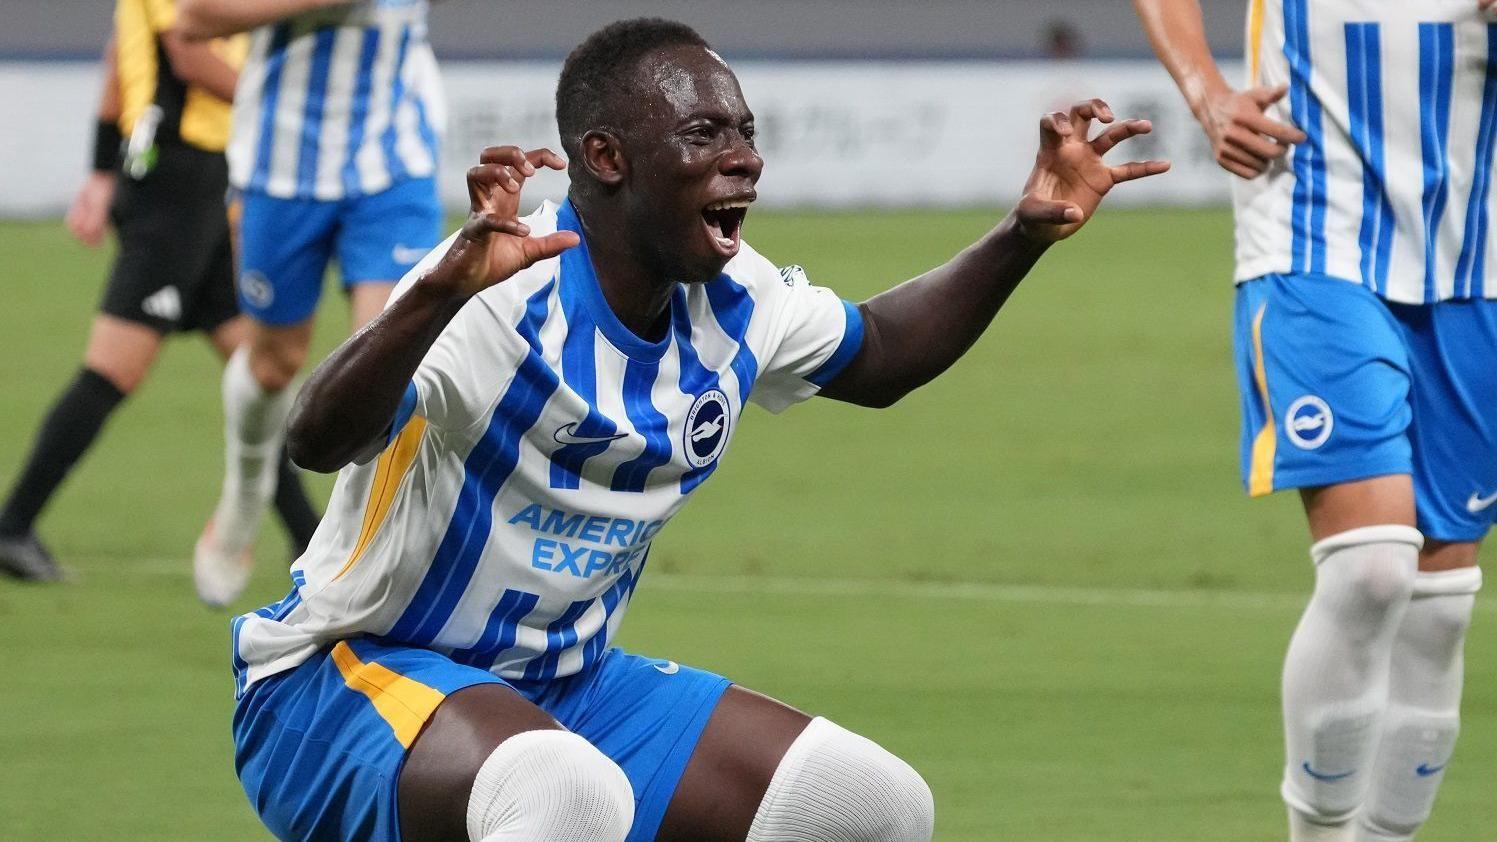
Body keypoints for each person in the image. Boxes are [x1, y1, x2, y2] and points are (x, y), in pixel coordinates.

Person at [229, 18, 1168, 842]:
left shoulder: (737, 298)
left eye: (747, 133)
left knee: (874, 806)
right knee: (565, 796)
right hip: (342, 683)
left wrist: (1021, 233)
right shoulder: (495, 292)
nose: (745, 156)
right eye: (705, 132)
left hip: (566, 692)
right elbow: (317, 438)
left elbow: (878, 352)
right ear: (607, 158)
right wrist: (430, 296)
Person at [1134, 1, 1496, 839]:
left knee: (1440, 610)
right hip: (1312, 228)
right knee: (1369, 572)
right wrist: (1205, 91)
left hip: (1473, 250)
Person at [0, 0, 319, 585]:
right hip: (177, 186)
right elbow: (187, 54)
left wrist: (100, 171)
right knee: (113, 369)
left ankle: (311, 541)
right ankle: (11, 525)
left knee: (259, 371)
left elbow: (118, 61)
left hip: (191, 181)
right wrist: (286, 101)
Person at [175, 0, 445, 605]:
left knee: (390, 357)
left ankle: (352, 557)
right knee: (274, 362)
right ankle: (246, 490)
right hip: (283, 167)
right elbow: (191, 19)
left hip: (392, 164)